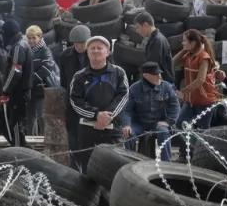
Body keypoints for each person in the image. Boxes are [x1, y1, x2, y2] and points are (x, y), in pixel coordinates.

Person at [69, 36, 129, 172]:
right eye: (92, 48)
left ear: (107, 52)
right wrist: (96, 115)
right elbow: (75, 100)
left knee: (116, 168)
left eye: (99, 48)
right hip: (87, 129)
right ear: (87, 52)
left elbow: (123, 96)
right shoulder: (79, 76)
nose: (96, 51)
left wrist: (107, 117)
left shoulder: (119, 73)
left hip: (113, 128)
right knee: (88, 170)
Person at [172, 29, 224, 162]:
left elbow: (200, 80)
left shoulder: (204, 57)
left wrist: (184, 90)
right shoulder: (189, 55)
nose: (182, 43)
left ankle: (201, 158)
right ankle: (184, 155)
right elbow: (173, 62)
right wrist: (185, 49)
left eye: (185, 41)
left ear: (193, 43)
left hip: (204, 100)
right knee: (181, 124)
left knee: (202, 131)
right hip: (191, 100)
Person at [121, 62, 180, 162]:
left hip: (157, 123)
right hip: (139, 123)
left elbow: (175, 106)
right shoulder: (134, 89)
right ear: (146, 76)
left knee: (164, 132)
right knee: (129, 134)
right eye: (155, 74)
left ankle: (166, 163)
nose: (159, 76)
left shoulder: (166, 87)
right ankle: (129, 161)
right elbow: (127, 110)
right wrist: (126, 125)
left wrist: (168, 121)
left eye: (159, 73)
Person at [0, 19, 33, 148]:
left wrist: (5, 91)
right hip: (16, 92)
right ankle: (23, 147)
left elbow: (16, 71)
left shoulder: (18, 46)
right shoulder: (20, 44)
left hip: (17, 93)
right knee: (1, 120)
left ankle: (19, 151)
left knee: (15, 124)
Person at [58, 25, 91, 170]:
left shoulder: (97, 53)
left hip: (91, 102)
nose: (78, 46)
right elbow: (64, 80)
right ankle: (75, 170)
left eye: (82, 43)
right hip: (72, 102)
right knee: (73, 139)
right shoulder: (65, 56)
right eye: (75, 43)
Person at [26, 25, 58, 136]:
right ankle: (30, 139)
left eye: (34, 38)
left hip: (42, 89)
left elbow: (46, 68)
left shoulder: (45, 50)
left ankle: (45, 139)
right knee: (30, 117)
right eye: (29, 38)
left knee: (42, 116)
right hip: (30, 89)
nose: (31, 41)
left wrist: (31, 78)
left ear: (40, 37)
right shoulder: (27, 50)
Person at [133, 11, 175, 84]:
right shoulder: (156, 38)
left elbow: (152, 66)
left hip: (162, 83)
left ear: (145, 25)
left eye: (137, 27)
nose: (137, 31)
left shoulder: (157, 40)